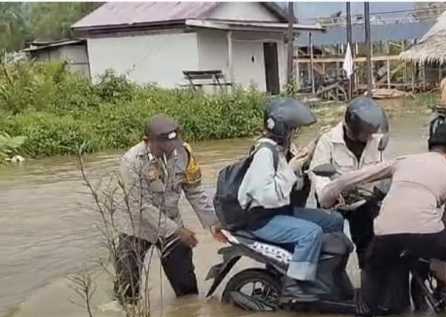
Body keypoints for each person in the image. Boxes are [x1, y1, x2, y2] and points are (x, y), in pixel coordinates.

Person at [319, 124, 446, 317]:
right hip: (426, 234)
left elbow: (357, 176)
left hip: (385, 232)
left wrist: (328, 196)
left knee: (372, 268)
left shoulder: (404, 161)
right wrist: (442, 274)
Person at [116, 114, 225, 303]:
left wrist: (214, 223)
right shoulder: (131, 161)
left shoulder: (184, 153)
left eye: (172, 146)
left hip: (172, 221)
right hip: (136, 228)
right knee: (127, 291)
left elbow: (195, 191)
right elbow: (140, 205)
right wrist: (176, 231)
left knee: (187, 289)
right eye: (162, 147)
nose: (169, 151)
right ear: (147, 141)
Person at [238, 98, 344, 289]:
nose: (295, 133)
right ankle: (295, 284)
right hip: (263, 218)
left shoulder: (282, 149)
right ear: (280, 128)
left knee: (334, 220)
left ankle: (326, 273)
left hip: (282, 211)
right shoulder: (264, 153)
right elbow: (267, 196)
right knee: (311, 233)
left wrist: (312, 148)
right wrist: (291, 169)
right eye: (292, 129)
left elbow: (297, 169)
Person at [308, 96, 390, 269]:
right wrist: (327, 195)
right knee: (330, 248)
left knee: (369, 246)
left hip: (363, 201)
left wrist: (383, 191)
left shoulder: (376, 141)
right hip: (334, 202)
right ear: (352, 129)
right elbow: (318, 174)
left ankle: (369, 284)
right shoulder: (328, 141)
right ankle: (329, 283)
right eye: (366, 133)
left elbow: (384, 170)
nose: (370, 136)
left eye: (371, 132)